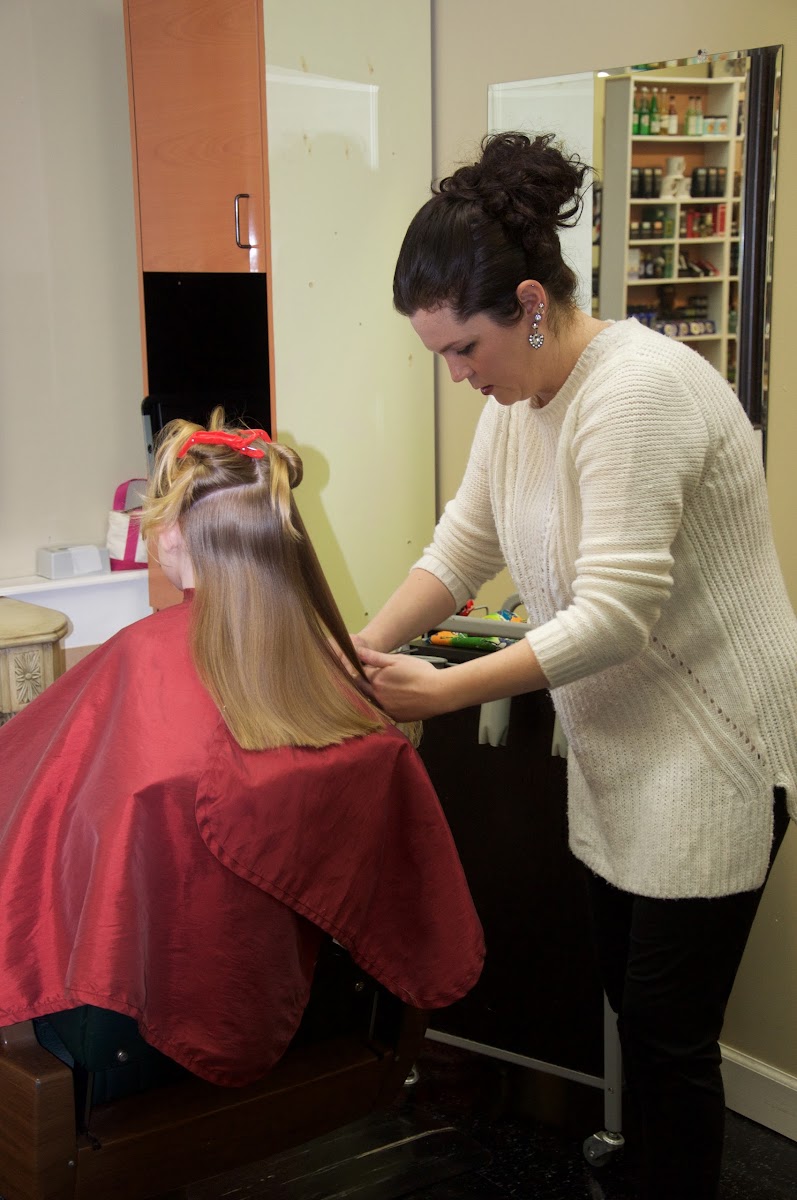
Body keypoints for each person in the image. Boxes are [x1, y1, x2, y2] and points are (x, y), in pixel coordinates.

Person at [354, 132, 797, 1199]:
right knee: (629, 1006)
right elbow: (458, 550)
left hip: (712, 749)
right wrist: (361, 647)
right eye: (440, 356)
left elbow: (613, 618)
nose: (458, 375)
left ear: (528, 305)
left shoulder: (636, 393)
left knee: (667, 1033)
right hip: (620, 747)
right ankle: (644, 1168)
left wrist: (441, 689)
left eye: (463, 349)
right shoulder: (517, 407)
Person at [0, 410, 484, 1086]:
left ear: (173, 533)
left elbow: (50, 802)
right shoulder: (327, 679)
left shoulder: (140, 659)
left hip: (140, 1032)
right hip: (329, 1021)